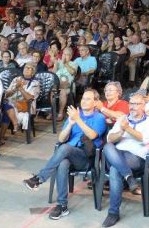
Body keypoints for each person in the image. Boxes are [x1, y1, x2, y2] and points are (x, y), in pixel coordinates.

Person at [22, 89, 107, 220]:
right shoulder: (74, 116)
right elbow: (61, 139)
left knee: (65, 148)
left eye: (88, 99)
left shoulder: (99, 118)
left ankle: (39, 179)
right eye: (83, 98)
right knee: (62, 162)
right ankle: (62, 206)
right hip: (68, 155)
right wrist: (70, 124)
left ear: (96, 103)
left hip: (85, 158)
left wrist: (77, 119)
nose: (84, 101)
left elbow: (92, 135)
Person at [101, 91, 149, 227]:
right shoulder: (123, 119)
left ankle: (113, 213)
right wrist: (121, 131)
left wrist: (127, 128)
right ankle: (128, 177)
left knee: (115, 170)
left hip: (137, 159)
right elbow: (110, 138)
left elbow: (144, 139)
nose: (132, 107)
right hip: (118, 155)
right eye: (131, 104)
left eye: (137, 104)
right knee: (108, 146)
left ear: (144, 106)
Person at [1, 62, 41, 142]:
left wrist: (21, 89)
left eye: (29, 68)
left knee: (7, 107)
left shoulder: (36, 83)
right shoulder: (16, 79)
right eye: (26, 67)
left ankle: (2, 136)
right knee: (7, 106)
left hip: (26, 106)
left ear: (33, 72)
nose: (26, 69)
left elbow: (30, 98)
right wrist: (15, 87)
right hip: (11, 103)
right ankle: (12, 126)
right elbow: (7, 94)